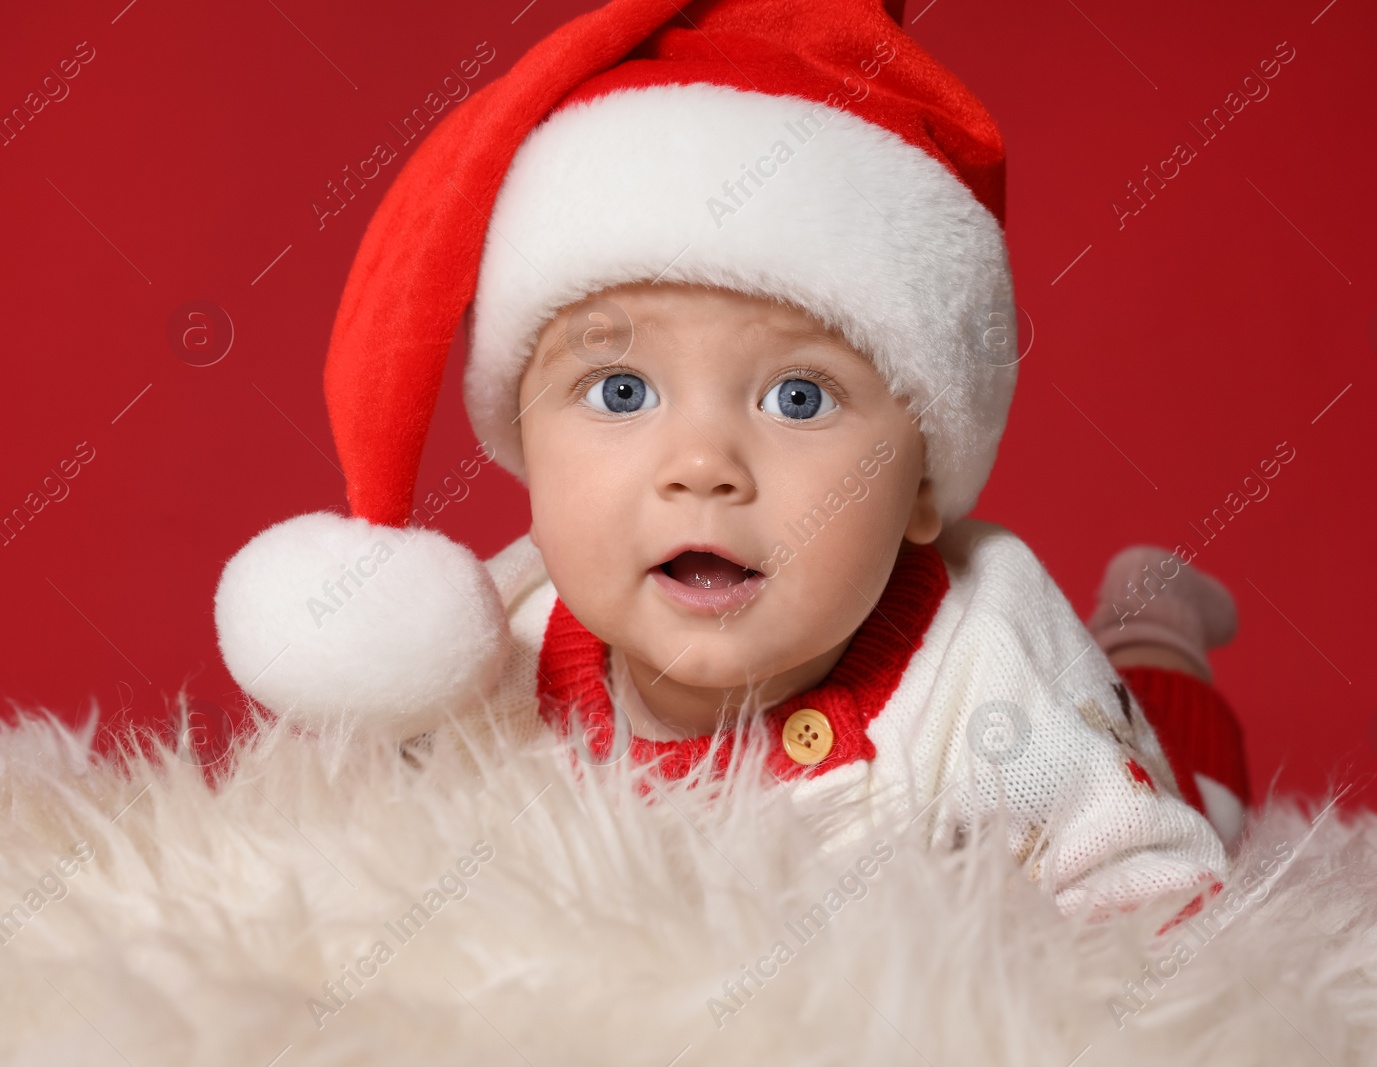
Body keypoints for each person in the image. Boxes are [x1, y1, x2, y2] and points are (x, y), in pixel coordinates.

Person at [213, 0, 1248, 920]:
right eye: (621, 392)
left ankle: (1153, 622)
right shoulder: (502, 645)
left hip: (1129, 730)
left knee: (1183, 750)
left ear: (924, 475)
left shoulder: (989, 669)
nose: (702, 464)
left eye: (798, 397)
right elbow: (349, 838)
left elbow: (1157, 896)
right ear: (525, 440)